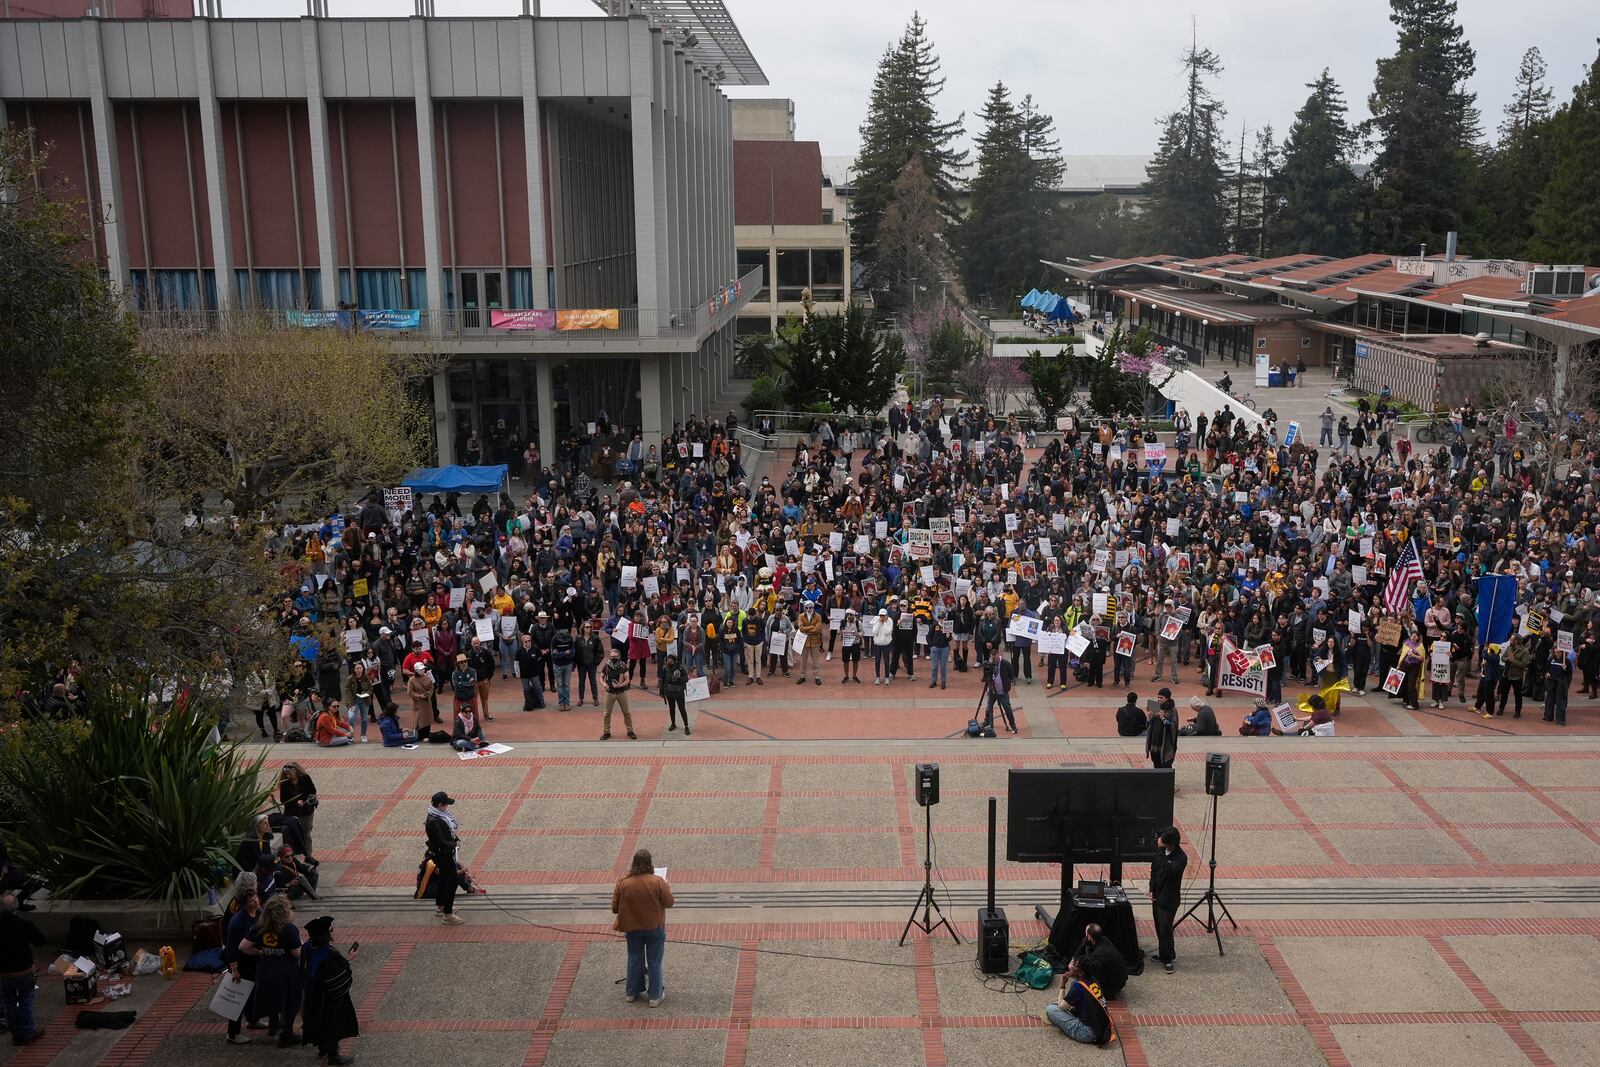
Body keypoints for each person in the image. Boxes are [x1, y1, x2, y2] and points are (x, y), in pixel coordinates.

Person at [611, 849, 675, 1008]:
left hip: (632, 927)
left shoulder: (623, 883)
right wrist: (667, 886)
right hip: (654, 927)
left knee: (634, 957)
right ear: (650, 864)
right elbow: (669, 902)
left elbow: (614, 908)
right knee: (654, 960)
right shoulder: (657, 882)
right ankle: (655, 996)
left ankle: (631, 992)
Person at [239, 894, 303, 1046]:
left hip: (266, 969)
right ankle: (287, 1035)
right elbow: (296, 952)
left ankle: (273, 1025)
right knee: (289, 1003)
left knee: (273, 999)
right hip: (287, 972)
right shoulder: (289, 929)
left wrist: (261, 952)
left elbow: (243, 947)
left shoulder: (259, 928)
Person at [299, 915, 359, 1066]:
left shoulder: (307, 947)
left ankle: (322, 1047)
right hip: (329, 998)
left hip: (312, 994)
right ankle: (333, 1055)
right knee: (332, 1023)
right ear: (325, 934)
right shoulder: (329, 954)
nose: (333, 932)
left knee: (317, 1020)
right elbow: (340, 976)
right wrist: (349, 960)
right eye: (331, 930)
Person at [0, 893, 45, 1048]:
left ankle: (16, 1035)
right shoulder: (25, 925)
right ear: (16, 907)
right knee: (25, 1001)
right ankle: (27, 1031)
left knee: (9, 1003)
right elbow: (40, 941)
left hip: (4, 973)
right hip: (23, 971)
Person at [222, 883, 264, 1044]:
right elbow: (231, 948)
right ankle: (232, 1033)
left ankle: (253, 1020)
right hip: (240, 964)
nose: (256, 901)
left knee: (253, 993)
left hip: (253, 960)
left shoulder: (258, 912)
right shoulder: (237, 922)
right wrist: (234, 969)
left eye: (256, 897)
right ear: (244, 903)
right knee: (238, 999)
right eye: (252, 900)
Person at [1042, 957, 1115, 1046]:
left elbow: (1061, 1006)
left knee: (1051, 1009)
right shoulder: (1094, 980)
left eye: (1075, 965)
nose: (1071, 966)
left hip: (1086, 1033)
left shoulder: (1078, 987)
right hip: (1101, 1028)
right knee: (1072, 984)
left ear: (1080, 972)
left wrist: (1063, 985)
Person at [1148, 827, 1187, 973]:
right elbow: (1154, 870)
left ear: (1170, 843)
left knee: (1165, 929)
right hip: (1158, 894)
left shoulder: (1180, 858)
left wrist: (1162, 853)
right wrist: (1151, 888)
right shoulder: (1160, 852)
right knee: (1159, 926)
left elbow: (1170, 872)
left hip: (1169, 898)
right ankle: (1167, 952)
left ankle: (1168, 959)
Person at [425, 791, 465, 926]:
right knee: (452, 882)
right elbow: (441, 841)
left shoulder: (437, 816)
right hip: (442, 854)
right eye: (446, 804)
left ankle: (441, 906)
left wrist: (455, 838)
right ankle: (448, 914)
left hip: (441, 853)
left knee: (443, 879)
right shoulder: (434, 821)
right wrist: (455, 844)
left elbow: (448, 833)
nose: (447, 807)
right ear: (440, 805)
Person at [1074, 922, 1128, 1001]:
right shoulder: (1104, 940)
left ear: (1089, 936)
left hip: (1113, 987)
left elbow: (1087, 967)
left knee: (1084, 972)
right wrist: (1074, 958)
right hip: (1120, 979)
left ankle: (1105, 993)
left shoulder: (1099, 953)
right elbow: (1084, 943)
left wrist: (1076, 965)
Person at [279, 763, 319, 859]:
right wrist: (295, 801)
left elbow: (312, 791)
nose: (288, 776)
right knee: (293, 834)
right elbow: (283, 799)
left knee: (306, 834)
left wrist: (305, 800)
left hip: (306, 812)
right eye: (286, 774)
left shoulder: (305, 778)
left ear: (296, 772)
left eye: (289, 774)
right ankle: (294, 857)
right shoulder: (284, 782)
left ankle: (308, 856)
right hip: (292, 813)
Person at [601, 648, 637, 740]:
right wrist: (605, 685)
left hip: (621, 692)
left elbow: (628, 679)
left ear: (619, 657)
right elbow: (601, 678)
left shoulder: (623, 666)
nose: (614, 658)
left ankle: (630, 730)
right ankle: (606, 731)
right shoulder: (606, 666)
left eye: (615, 656)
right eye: (612, 656)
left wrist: (620, 685)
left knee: (626, 712)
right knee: (607, 713)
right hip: (610, 693)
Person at [981, 654, 1019, 734]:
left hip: (1002, 691)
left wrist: (1010, 681)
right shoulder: (990, 665)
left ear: (998, 655)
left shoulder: (1005, 663)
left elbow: (1011, 674)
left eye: (995, 658)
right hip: (992, 691)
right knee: (989, 707)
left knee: (1007, 707)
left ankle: (1013, 725)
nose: (994, 660)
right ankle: (987, 722)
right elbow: (984, 678)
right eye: (993, 658)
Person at [660, 654, 690, 735]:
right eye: (667, 659)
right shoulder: (665, 669)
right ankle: (673, 724)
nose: (668, 661)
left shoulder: (680, 668)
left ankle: (686, 726)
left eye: (669, 659)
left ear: (674, 660)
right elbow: (662, 680)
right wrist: (662, 691)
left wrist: (678, 678)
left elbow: (686, 679)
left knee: (682, 709)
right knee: (672, 709)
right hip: (669, 693)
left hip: (679, 692)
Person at [1146, 697, 1178, 771]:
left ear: (1167, 698)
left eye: (1161, 697)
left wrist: (1163, 719)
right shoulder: (1155, 707)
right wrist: (1149, 718)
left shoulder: (1172, 709)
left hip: (1166, 743)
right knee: (1156, 765)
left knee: (1166, 765)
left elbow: (1174, 726)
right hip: (1154, 742)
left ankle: (1166, 781)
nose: (1159, 699)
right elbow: (1149, 725)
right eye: (1158, 697)